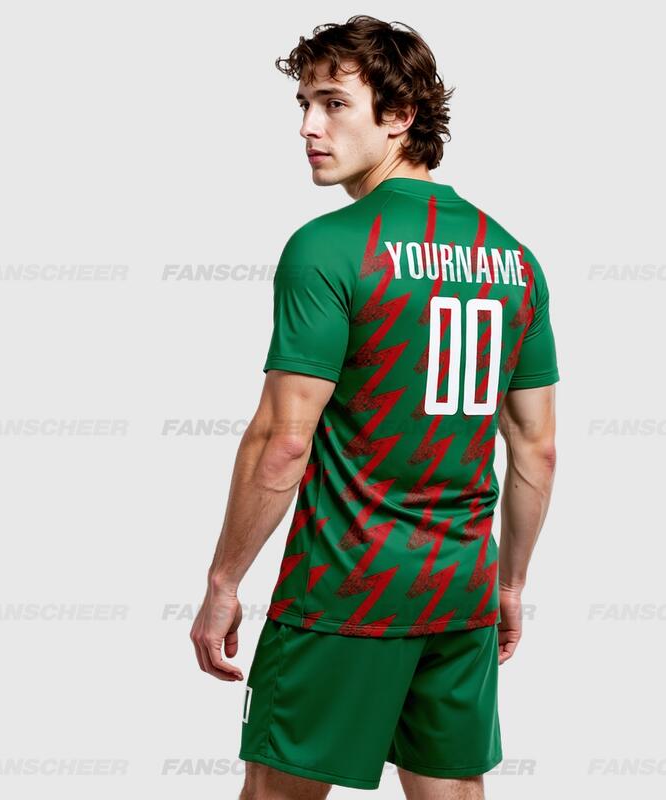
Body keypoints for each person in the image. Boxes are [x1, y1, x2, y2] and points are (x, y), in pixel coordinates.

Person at [190, 14, 559, 799]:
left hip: (343, 588)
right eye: (303, 104)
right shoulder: (515, 260)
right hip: (459, 587)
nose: (307, 127)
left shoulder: (329, 248)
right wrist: (509, 585)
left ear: (400, 115)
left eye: (332, 104)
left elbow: (283, 442)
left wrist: (224, 582)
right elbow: (536, 447)